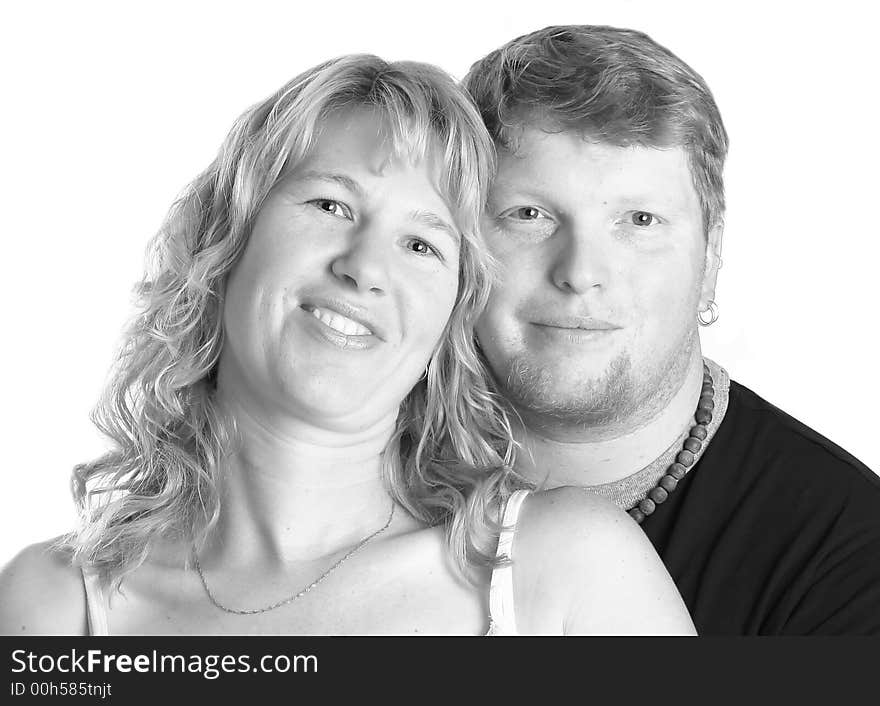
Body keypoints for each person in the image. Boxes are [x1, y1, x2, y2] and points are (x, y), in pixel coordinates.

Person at [0, 55, 693, 635]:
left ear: (450, 318)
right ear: (227, 239)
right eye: (332, 205)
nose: (364, 268)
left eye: (421, 244)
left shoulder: (566, 570)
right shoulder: (59, 607)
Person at [463, 25, 880, 635]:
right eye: (530, 215)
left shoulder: (846, 560)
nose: (581, 273)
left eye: (639, 220)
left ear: (709, 262)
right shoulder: (346, 482)